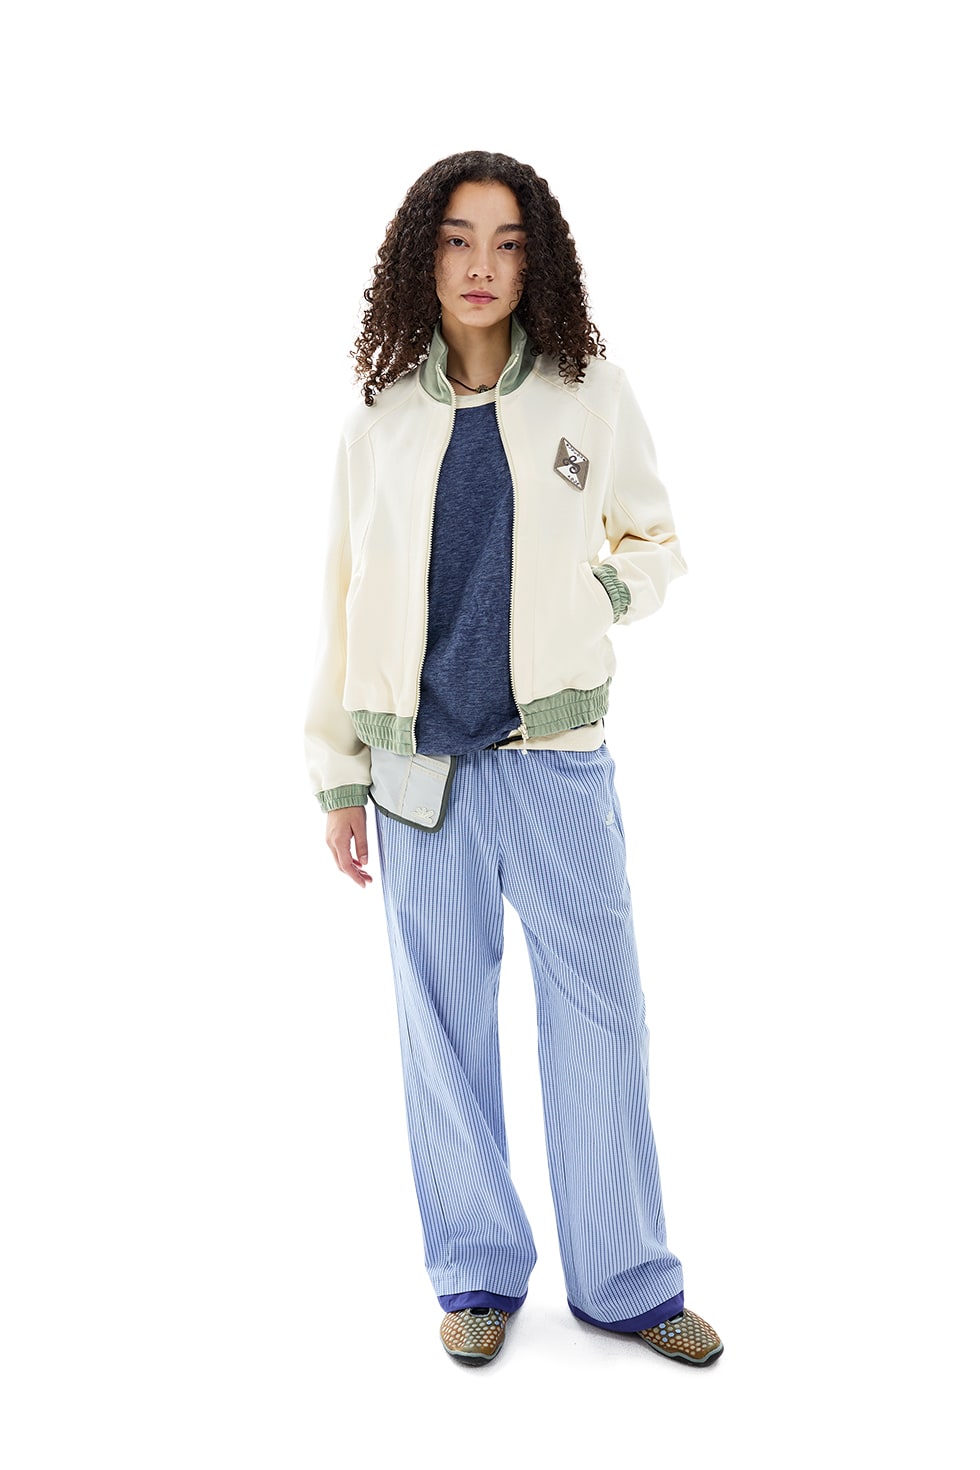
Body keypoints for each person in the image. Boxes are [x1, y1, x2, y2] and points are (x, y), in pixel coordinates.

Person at [305, 150, 722, 1368]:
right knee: (441, 1033)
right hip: (415, 777)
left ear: (535, 262)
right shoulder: (378, 422)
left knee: (601, 1016)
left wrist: (599, 593)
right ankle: (477, 1273)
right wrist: (338, 773)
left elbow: (655, 540)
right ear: (420, 258)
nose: (479, 265)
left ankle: (627, 1282)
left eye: (505, 242)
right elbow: (340, 600)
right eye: (455, 239)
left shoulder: (590, 394)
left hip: (554, 765)